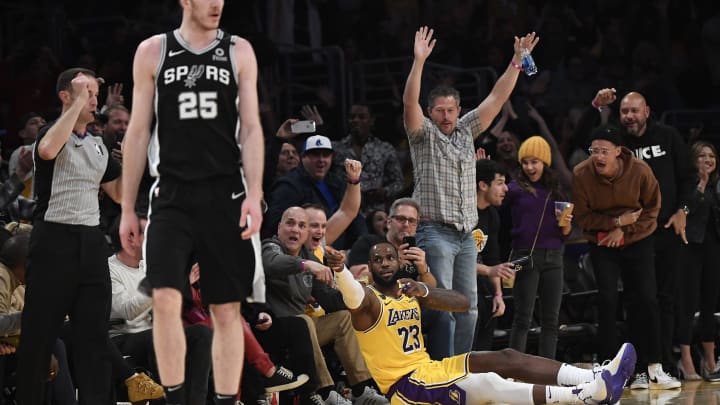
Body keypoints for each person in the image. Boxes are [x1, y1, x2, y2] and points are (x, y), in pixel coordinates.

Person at [119, 0, 265, 403]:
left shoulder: (239, 50)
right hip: (171, 195)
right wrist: (128, 207)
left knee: (225, 309)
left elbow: (251, 129)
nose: (217, 3)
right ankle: (177, 398)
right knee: (165, 298)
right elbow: (137, 131)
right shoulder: (154, 50)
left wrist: (254, 192)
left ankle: (222, 400)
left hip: (226, 196)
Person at [329, 241, 636, 404]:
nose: (384, 263)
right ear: (369, 266)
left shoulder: (408, 289)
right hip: (406, 387)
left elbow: (461, 303)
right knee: (488, 384)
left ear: (399, 262)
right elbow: (352, 296)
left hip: (431, 369)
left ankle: (593, 377)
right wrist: (341, 270)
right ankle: (582, 397)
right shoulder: (368, 302)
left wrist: (424, 289)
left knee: (507, 358)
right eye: (378, 259)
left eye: (389, 258)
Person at [402, 26, 539, 353]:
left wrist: (517, 61)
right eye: (439, 111)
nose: (446, 116)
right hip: (434, 232)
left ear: (458, 110)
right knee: (443, 308)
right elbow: (409, 102)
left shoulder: (466, 131)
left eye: (451, 110)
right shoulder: (422, 136)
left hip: (466, 235)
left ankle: (461, 371)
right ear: (431, 112)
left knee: (470, 309)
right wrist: (419, 61)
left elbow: (497, 96)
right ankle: (441, 373)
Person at [17, 67, 122, 405]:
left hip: (92, 244)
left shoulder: (98, 145)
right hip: (53, 242)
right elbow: (47, 150)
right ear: (65, 96)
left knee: (94, 339)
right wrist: (76, 105)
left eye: (94, 94)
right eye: (86, 92)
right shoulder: (51, 133)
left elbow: (119, 194)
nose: (95, 100)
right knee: (39, 336)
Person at [590, 89, 694, 383]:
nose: (630, 117)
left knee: (665, 298)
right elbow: (590, 142)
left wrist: (682, 210)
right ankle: (638, 367)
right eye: (624, 112)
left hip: (665, 228)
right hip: (631, 234)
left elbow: (687, 177)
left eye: (634, 111)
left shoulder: (669, 136)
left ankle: (663, 361)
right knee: (638, 300)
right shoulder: (616, 142)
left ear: (647, 111)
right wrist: (597, 107)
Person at [571, 125, 679, 390]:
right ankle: (612, 368)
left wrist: (625, 230)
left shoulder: (640, 170)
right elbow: (583, 217)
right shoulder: (581, 174)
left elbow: (652, 209)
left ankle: (652, 367)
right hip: (601, 239)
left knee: (645, 299)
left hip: (638, 238)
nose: (598, 156)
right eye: (594, 151)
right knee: (607, 299)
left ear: (618, 152)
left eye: (604, 151)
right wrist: (614, 223)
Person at [262, 207, 388, 405]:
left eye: (301, 226)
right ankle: (326, 392)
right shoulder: (271, 246)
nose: (295, 229)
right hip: (273, 327)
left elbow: (329, 299)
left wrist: (358, 287)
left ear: (305, 234)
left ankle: (361, 389)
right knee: (305, 321)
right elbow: (271, 264)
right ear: (279, 227)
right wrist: (306, 265)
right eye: (290, 223)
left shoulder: (309, 256)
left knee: (343, 319)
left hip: (303, 332)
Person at [347, 197, 454, 360]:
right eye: (401, 219)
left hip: (410, 309)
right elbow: (356, 279)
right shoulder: (369, 242)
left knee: (441, 314)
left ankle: (444, 371)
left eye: (412, 221)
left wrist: (423, 269)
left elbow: (430, 290)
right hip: (378, 308)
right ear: (389, 222)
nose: (406, 224)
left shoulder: (416, 251)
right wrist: (394, 263)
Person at [504, 136, 571, 359]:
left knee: (551, 320)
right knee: (523, 317)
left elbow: (565, 233)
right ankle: (513, 369)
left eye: (535, 162)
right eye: (526, 162)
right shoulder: (513, 189)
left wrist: (566, 224)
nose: (530, 167)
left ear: (545, 162)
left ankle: (548, 371)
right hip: (525, 256)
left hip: (554, 257)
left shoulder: (556, 190)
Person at [676, 141, 720, 382]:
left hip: (713, 249)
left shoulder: (717, 185)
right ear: (694, 161)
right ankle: (686, 359)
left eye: (711, 156)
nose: (708, 159)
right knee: (688, 304)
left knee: (709, 304)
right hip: (690, 247)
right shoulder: (688, 183)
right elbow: (686, 208)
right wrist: (701, 182)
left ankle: (710, 360)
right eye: (702, 156)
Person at [472, 159, 516, 350]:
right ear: (483, 185)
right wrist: (490, 270)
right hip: (456, 282)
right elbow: (456, 260)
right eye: (499, 183)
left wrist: (498, 294)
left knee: (491, 310)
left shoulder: (492, 215)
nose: (506, 189)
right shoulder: (462, 214)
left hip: (479, 279)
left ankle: (482, 373)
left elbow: (493, 259)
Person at [332, 104, 404, 214]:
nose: (356, 120)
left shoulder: (384, 149)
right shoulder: (336, 149)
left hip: (376, 213)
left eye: (361, 117)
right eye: (352, 117)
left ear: (371, 121)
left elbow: (398, 182)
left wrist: (384, 192)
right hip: (344, 211)